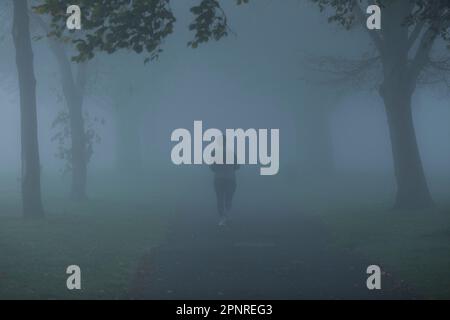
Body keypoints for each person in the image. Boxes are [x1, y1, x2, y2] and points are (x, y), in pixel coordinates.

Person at [210, 139, 240, 227]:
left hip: (219, 178)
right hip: (230, 179)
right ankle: (227, 215)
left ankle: (222, 218)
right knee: (228, 198)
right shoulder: (231, 153)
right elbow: (237, 166)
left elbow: (212, 167)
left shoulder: (214, 152)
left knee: (219, 198)